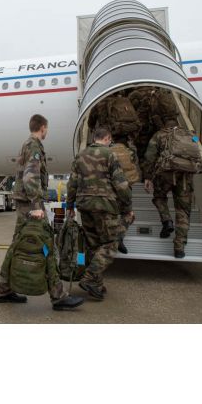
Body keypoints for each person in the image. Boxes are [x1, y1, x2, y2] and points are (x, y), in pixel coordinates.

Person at [0, 114, 84, 311]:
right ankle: (58, 296)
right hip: (30, 204)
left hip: (24, 202)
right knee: (45, 245)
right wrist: (37, 205)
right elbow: (29, 178)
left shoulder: (27, 144)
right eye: (47, 128)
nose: (47, 131)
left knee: (17, 246)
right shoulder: (34, 146)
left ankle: (3, 289)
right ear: (43, 127)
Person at [66, 127, 133, 301]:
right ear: (107, 138)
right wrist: (127, 206)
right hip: (104, 205)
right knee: (111, 244)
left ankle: (96, 284)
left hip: (84, 205)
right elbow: (121, 185)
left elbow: (72, 183)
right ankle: (89, 278)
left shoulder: (80, 156)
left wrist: (70, 206)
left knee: (94, 246)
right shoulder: (110, 154)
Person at [143, 118, 198, 259]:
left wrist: (148, 177)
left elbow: (150, 156)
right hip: (186, 176)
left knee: (159, 197)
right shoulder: (191, 134)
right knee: (183, 211)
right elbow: (197, 150)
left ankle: (167, 220)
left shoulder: (159, 135)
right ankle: (179, 248)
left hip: (165, 173)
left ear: (165, 126)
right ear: (178, 126)